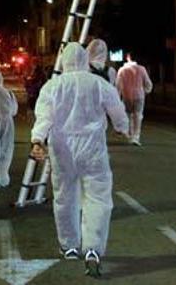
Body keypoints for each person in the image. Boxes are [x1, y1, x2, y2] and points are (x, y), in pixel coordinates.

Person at [31, 43, 129, 278]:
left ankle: (69, 246)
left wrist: (37, 139)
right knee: (98, 197)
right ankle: (93, 248)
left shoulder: (52, 86)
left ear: (63, 60)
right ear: (85, 59)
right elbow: (116, 109)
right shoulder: (99, 83)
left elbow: (44, 115)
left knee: (65, 197)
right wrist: (122, 127)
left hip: (62, 147)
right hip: (92, 147)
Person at [115, 53, 153, 146]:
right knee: (138, 116)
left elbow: (118, 85)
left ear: (128, 58)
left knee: (128, 116)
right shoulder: (141, 69)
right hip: (139, 96)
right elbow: (148, 84)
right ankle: (136, 137)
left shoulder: (122, 70)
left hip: (126, 96)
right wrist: (145, 91)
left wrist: (118, 96)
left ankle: (130, 135)